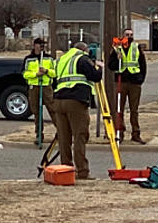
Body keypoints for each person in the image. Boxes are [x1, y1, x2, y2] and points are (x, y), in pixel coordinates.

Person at [52, 41, 104, 180]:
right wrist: (99, 67)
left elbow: (54, 82)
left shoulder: (61, 60)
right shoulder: (82, 58)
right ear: (84, 50)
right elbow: (95, 76)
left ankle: (66, 170)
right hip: (75, 101)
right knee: (80, 136)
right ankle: (82, 171)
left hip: (58, 101)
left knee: (64, 138)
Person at [109, 27, 147, 144]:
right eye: (127, 34)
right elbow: (111, 65)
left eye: (131, 35)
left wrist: (140, 79)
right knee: (119, 109)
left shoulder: (136, 48)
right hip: (121, 82)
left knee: (134, 110)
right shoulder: (117, 49)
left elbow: (142, 65)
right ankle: (119, 132)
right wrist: (117, 59)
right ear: (123, 36)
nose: (129, 37)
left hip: (134, 82)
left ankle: (136, 133)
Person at [22, 37, 55, 122]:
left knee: (52, 109)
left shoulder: (49, 58)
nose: (42, 46)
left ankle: (59, 132)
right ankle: (39, 133)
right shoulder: (28, 59)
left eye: (43, 44)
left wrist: (46, 71)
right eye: (39, 44)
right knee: (36, 111)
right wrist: (36, 74)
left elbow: (55, 73)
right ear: (34, 45)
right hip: (34, 87)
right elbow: (25, 74)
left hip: (46, 86)